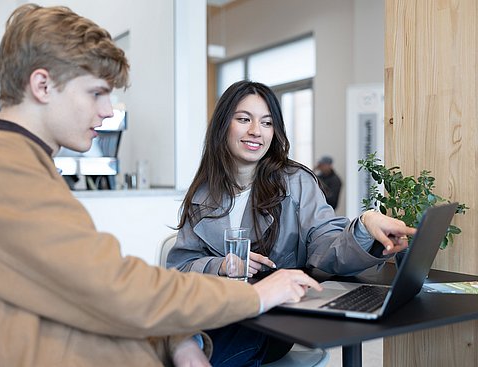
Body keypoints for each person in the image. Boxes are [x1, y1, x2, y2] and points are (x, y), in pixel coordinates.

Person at [0, 5, 323, 367]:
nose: (108, 111)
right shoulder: (12, 174)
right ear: (42, 85)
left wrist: (180, 339)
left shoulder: (27, 165)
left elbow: (99, 288)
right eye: (96, 93)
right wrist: (257, 296)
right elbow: (117, 288)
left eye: (265, 122)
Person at [167, 80, 416, 366]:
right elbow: (179, 269)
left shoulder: (296, 182)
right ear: (223, 125)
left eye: (267, 122)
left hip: (265, 321)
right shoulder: (201, 193)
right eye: (244, 119)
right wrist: (222, 265)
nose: (255, 131)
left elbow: (328, 246)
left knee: (196, 354)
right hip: (210, 310)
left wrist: (364, 223)